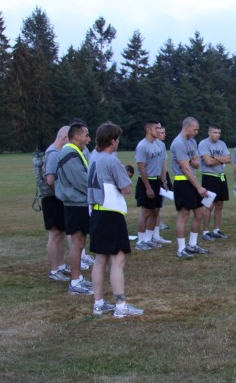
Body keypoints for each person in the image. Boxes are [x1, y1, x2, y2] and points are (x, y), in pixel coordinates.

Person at [87, 122, 144, 318]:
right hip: (111, 213)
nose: (118, 142)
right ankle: (121, 306)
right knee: (118, 259)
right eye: (117, 138)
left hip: (96, 212)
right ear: (112, 140)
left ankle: (98, 303)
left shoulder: (93, 157)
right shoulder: (111, 161)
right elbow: (126, 188)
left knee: (100, 259)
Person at [55, 122, 94, 295]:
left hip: (80, 204)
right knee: (77, 243)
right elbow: (81, 181)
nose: (89, 138)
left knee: (80, 242)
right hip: (75, 204)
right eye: (86, 135)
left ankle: (77, 278)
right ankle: (75, 282)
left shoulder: (75, 151)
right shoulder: (69, 152)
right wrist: (97, 192)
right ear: (77, 136)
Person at [170, 117, 210, 258]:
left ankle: (192, 245)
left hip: (191, 180)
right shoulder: (179, 143)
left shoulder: (192, 142)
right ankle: (181, 249)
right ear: (186, 127)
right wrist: (199, 187)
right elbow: (186, 169)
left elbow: (196, 164)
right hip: (182, 182)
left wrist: (190, 160)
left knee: (200, 213)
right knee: (184, 215)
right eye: (195, 129)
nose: (197, 132)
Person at [42, 126, 71, 282]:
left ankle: (60, 266)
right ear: (64, 138)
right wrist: (62, 193)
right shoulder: (53, 154)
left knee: (60, 233)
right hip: (53, 199)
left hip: (57, 198)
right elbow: (50, 180)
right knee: (54, 235)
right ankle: (54, 271)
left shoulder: (56, 152)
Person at [134, 120, 167, 251]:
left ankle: (149, 239)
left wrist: (164, 182)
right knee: (146, 211)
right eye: (156, 128)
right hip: (146, 181)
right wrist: (147, 187)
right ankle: (140, 241)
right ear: (148, 130)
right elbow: (142, 168)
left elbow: (162, 164)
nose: (159, 131)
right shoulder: (142, 146)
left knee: (155, 211)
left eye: (160, 128)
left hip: (157, 181)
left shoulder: (159, 145)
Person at [199, 124, 231, 241]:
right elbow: (208, 162)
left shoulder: (222, 144)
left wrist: (216, 157)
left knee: (219, 204)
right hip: (209, 177)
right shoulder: (203, 144)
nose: (217, 135)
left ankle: (216, 230)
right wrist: (221, 160)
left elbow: (229, 159)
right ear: (209, 132)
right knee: (209, 205)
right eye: (214, 132)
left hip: (220, 177)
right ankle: (206, 232)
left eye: (218, 133)